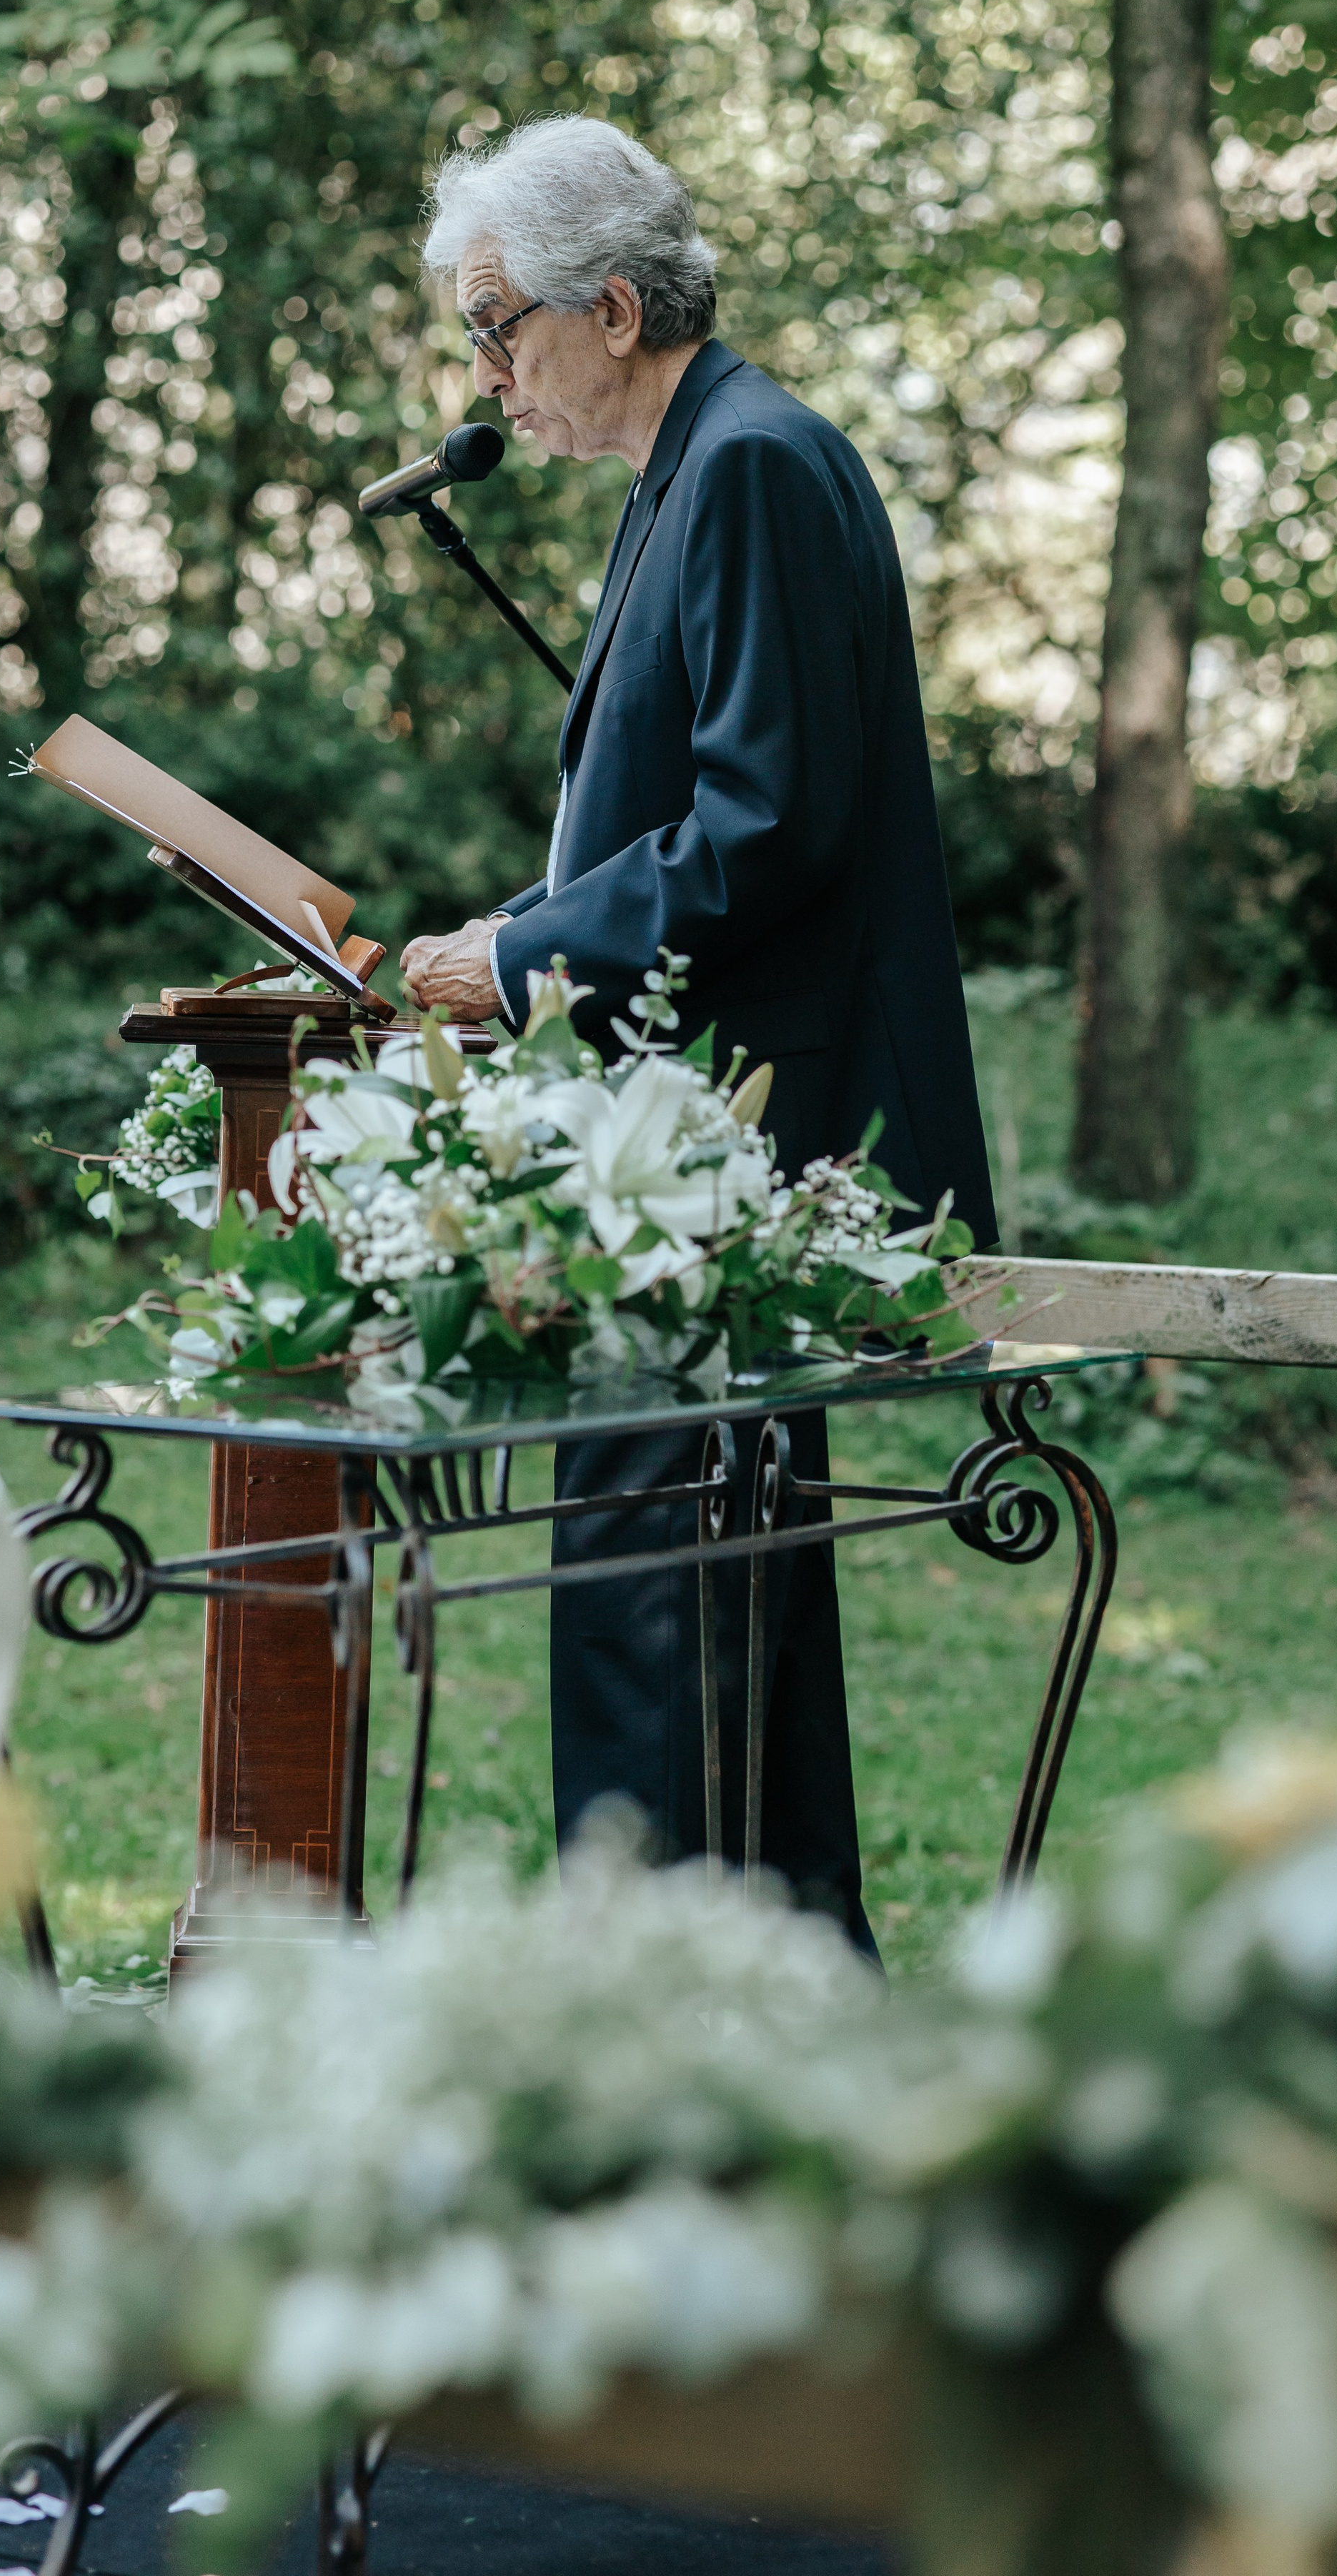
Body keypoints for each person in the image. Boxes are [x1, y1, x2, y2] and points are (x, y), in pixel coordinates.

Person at [399, 115, 995, 1959]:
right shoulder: (698, 465)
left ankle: (665, 1992)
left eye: (496, 326)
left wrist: (520, 955)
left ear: (615, 307)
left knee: (664, 1600)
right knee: (699, 1602)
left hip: (747, 1138)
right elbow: (686, 809)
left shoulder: (749, 464)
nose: (484, 374)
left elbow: (765, 824)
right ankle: (775, 1976)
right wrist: (526, 928)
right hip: (690, 1131)